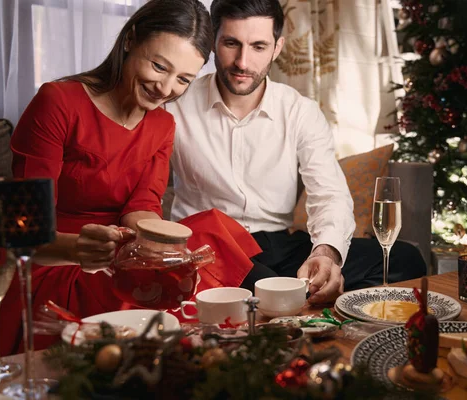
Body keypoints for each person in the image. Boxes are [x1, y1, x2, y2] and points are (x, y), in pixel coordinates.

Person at [0, 0, 261, 356]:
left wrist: (158, 250)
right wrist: (80, 248)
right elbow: (24, 229)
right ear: (130, 40)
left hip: (120, 256)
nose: (166, 89)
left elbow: (142, 207)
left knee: (210, 235)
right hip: (58, 259)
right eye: (159, 66)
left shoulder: (162, 124)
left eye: (183, 79)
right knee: (145, 311)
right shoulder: (58, 101)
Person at [166, 0, 427, 305]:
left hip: (280, 245)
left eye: (259, 46)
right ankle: (292, 301)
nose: (242, 61)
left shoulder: (300, 111)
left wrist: (325, 254)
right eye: (231, 43)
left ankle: (293, 299)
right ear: (213, 41)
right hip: (210, 249)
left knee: (405, 259)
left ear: (278, 48)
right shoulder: (176, 104)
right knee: (266, 286)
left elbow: (328, 193)